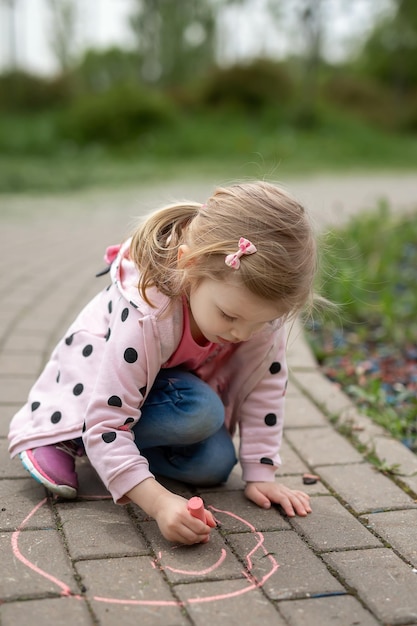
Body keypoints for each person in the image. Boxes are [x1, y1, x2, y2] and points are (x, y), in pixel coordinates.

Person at [9, 180, 317, 545]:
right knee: (200, 411)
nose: (242, 334)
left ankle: (114, 457)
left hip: (155, 395)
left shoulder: (255, 317)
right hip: (97, 398)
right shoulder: (148, 314)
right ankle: (72, 437)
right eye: (229, 316)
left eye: (260, 322)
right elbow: (110, 416)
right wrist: (158, 503)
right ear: (189, 264)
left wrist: (261, 474)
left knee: (216, 464)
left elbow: (266, 391)